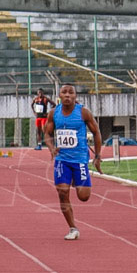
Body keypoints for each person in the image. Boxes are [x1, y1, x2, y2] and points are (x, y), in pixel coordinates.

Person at [44, 83, 103, 241]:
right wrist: (51, 147)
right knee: (62, 191)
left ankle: (74, 179)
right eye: (64, 92)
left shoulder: (83, 112)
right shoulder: (53, 114)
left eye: (71, 93)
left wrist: (97, 156)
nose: (68, 95)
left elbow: (96, 133)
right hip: (62, 160)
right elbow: (47, 133)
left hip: (80, 160)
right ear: (60, 95)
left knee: (83, 196)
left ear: (75, 96)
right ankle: (73, 228)